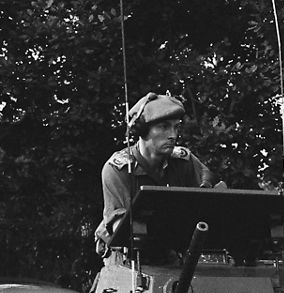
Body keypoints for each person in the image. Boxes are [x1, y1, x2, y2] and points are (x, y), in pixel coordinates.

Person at [94, 92, 220, 255]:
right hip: (125, 256)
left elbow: (213, 190)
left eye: (176, 127)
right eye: (164, 127)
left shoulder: (183, 161)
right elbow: (122, 228)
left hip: (171, 251)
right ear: (143, 130)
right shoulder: (118, 170)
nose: (173, 135)